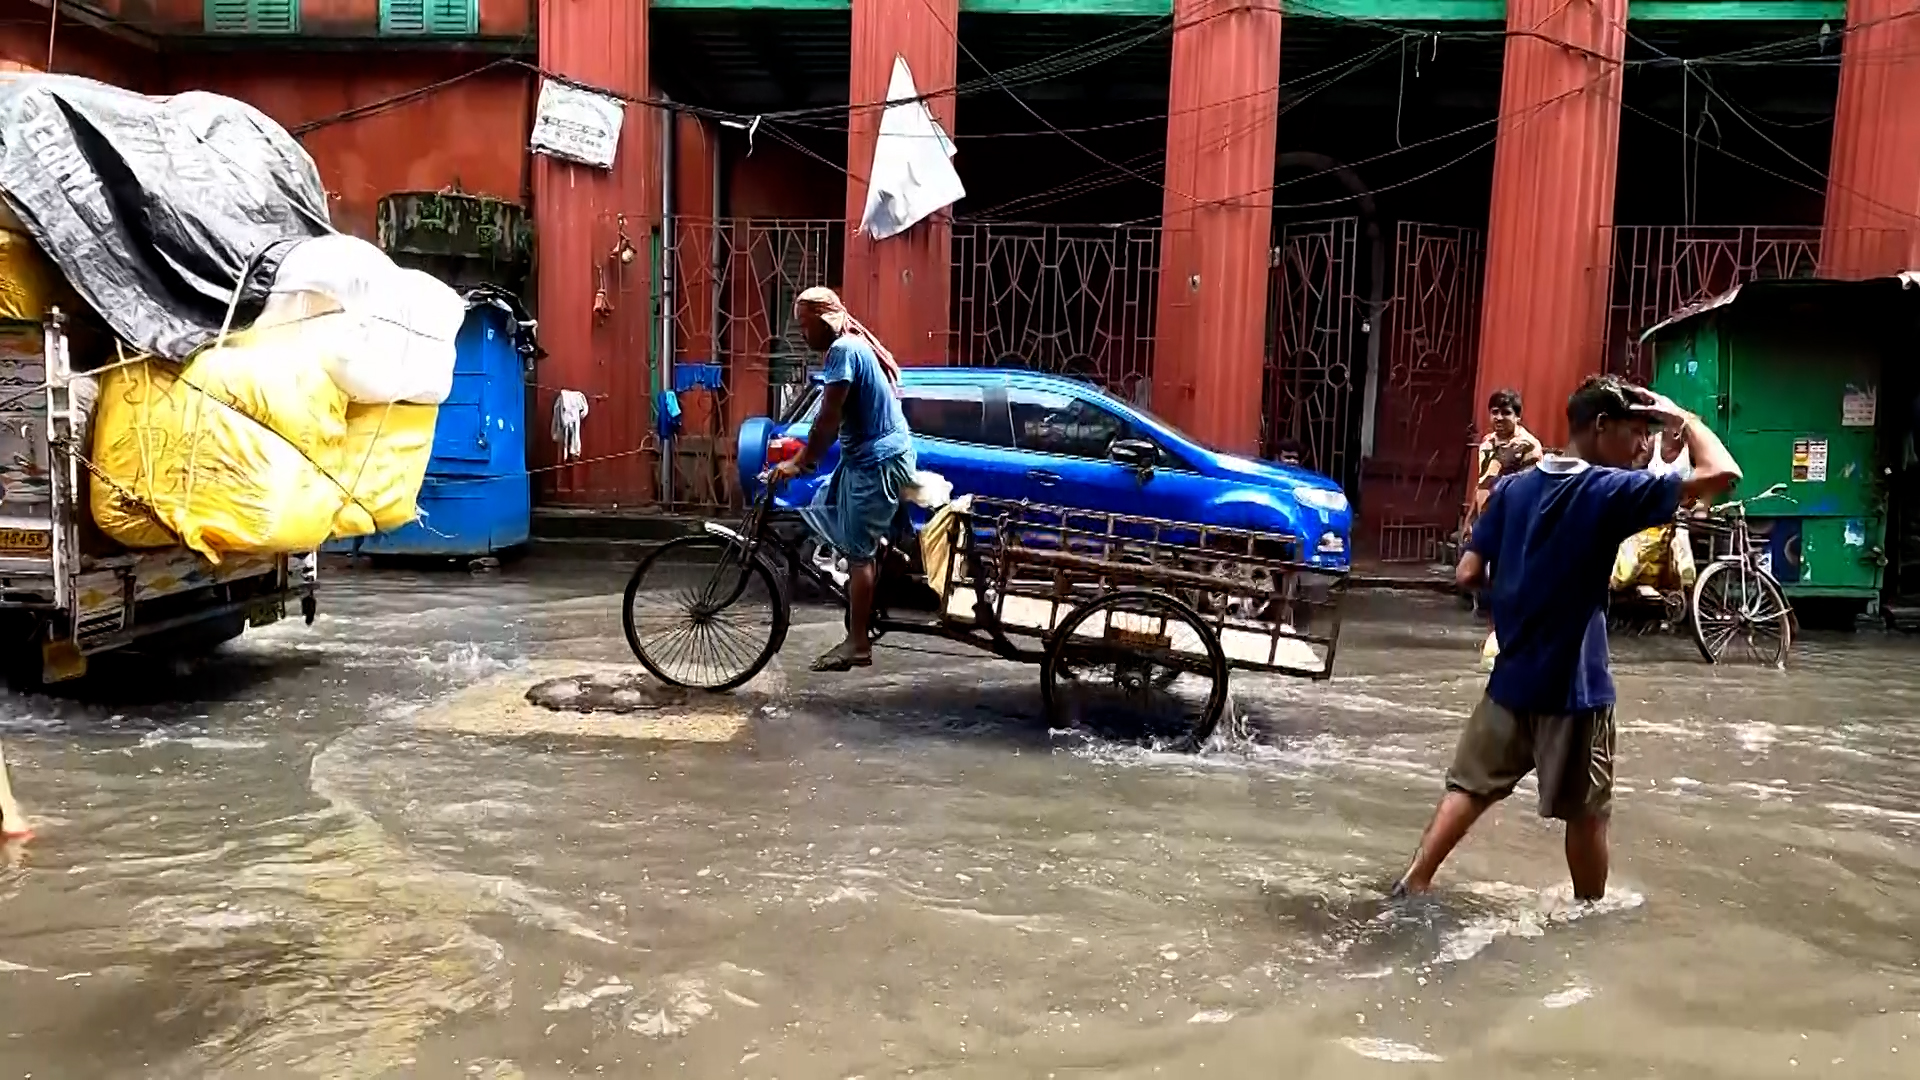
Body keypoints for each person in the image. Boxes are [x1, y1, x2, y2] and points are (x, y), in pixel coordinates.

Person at [1397, 375, 1740, 901]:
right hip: (1575, 688)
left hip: (1511, 677)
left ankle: (1413, 881)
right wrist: (1682, 419)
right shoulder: (1608, 491)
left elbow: (1467, 572)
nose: (1642, 446)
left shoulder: (1513, 488)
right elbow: (1723, 475)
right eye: (1635, 433)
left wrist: (1521, 591)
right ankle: (1588, 916)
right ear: (1602, 428)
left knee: (1468, 789)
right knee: (1586, 813)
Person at [769, 287, 917, 672]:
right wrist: (807, 459)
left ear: (824, 322)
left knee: (857, 554)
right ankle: (889, 557)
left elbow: (827, 419)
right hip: (868, 457)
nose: (802, 333)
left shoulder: (843, 352)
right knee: (823, 502)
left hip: (878, 463)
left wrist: (799, 463)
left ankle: (858, 643)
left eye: (805, 325)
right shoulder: (850, 347)